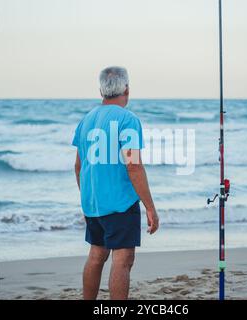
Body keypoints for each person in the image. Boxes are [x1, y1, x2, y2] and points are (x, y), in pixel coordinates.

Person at [72, 66, 159, 300]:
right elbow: (133, 165)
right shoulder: (128, 119)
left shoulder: (86, 120)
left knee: (97, 254)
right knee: (123, 259)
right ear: (127, 89)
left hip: (93, 202)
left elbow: (79, 166)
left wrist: (87, 198)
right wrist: (150, 207)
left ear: (101, 90)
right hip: (120, 203)